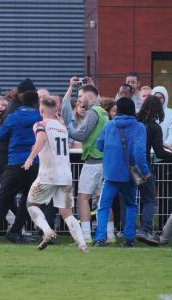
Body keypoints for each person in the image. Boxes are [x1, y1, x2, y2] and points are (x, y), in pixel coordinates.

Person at [22, 98, 87, 252]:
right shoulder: (62, 127)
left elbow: (42, 138)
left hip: (48, 174)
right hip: (65, 175)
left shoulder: (40, 124)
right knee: (67, 212)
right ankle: (83, 244)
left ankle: (47, 231)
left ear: (41, 110)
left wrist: (31, 157)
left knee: (31, 204)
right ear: (55, 110)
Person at [0, 88, 41, 244]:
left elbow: (0, 136)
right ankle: (16, 230)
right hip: (34, 162)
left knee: (3, 196)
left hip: (15, 162)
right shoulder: (39, 116)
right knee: (28, 198)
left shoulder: (13, 117)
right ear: (36, 102)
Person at [93, 97, 149, 247]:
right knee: (131, 205)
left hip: (110, 174)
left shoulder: (109, 125)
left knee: (103, 206)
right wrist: (145, 171)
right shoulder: (139, 127)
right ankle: (129, 239)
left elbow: (99, 145)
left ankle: (100, 238)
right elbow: (139, 153)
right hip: (129, 175)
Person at [66, 84, 109, 243]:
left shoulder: (93, 112)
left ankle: (85, 236)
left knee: (83, 197)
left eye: (80, 97)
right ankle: (109, 235)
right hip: (104, 161)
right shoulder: (104, 112)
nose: (79, 100)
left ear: (89, 97)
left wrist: (67, 128)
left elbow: (82, 135)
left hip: (92, 162)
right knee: (103, 199)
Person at [135, 95, 172, 245]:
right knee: (149, 199)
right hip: (144, 165)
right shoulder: (154, 127)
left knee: (129, 200)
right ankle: (145, 230)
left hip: (130, 165)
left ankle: (129, 233)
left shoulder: (135, 122)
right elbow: (159, 152)